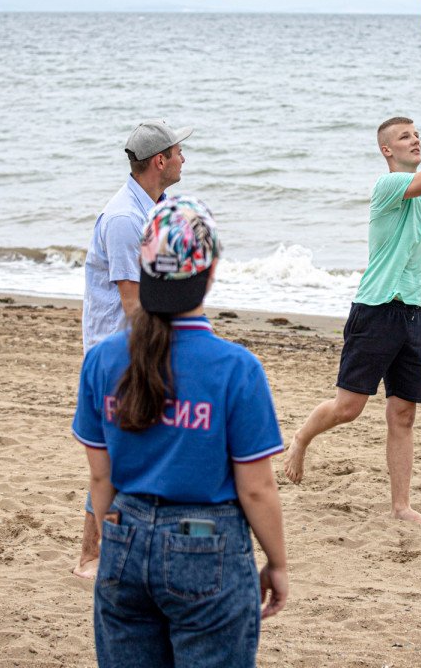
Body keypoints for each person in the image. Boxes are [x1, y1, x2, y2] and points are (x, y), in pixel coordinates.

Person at [72, 196, 287, 668]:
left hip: (124, 538)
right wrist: (278, 562)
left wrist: (114, 539)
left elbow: (100, 477)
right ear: (209, 274)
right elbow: (257, 489)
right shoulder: (236, 369)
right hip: (206, 543)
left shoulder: (103, 360)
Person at [282, 85, 421, 526]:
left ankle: (400, 506)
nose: (415, 140)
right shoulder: (388, 186)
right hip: (377, 308)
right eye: (405, 137)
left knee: (402, 414)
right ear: (387, 150)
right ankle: (302, 437)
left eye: (417, 133)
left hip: (416, 312)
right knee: (348, 409)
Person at [76, 119, 191, 578]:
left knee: (141, 449)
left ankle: (124, 545)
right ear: (159, 160)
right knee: (113, 455)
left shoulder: (158, 206)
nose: (185, 158)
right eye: (179, 152)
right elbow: (132, 301)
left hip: (141, 345)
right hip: (117, 351)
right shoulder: (126, 217)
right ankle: (88, 554)